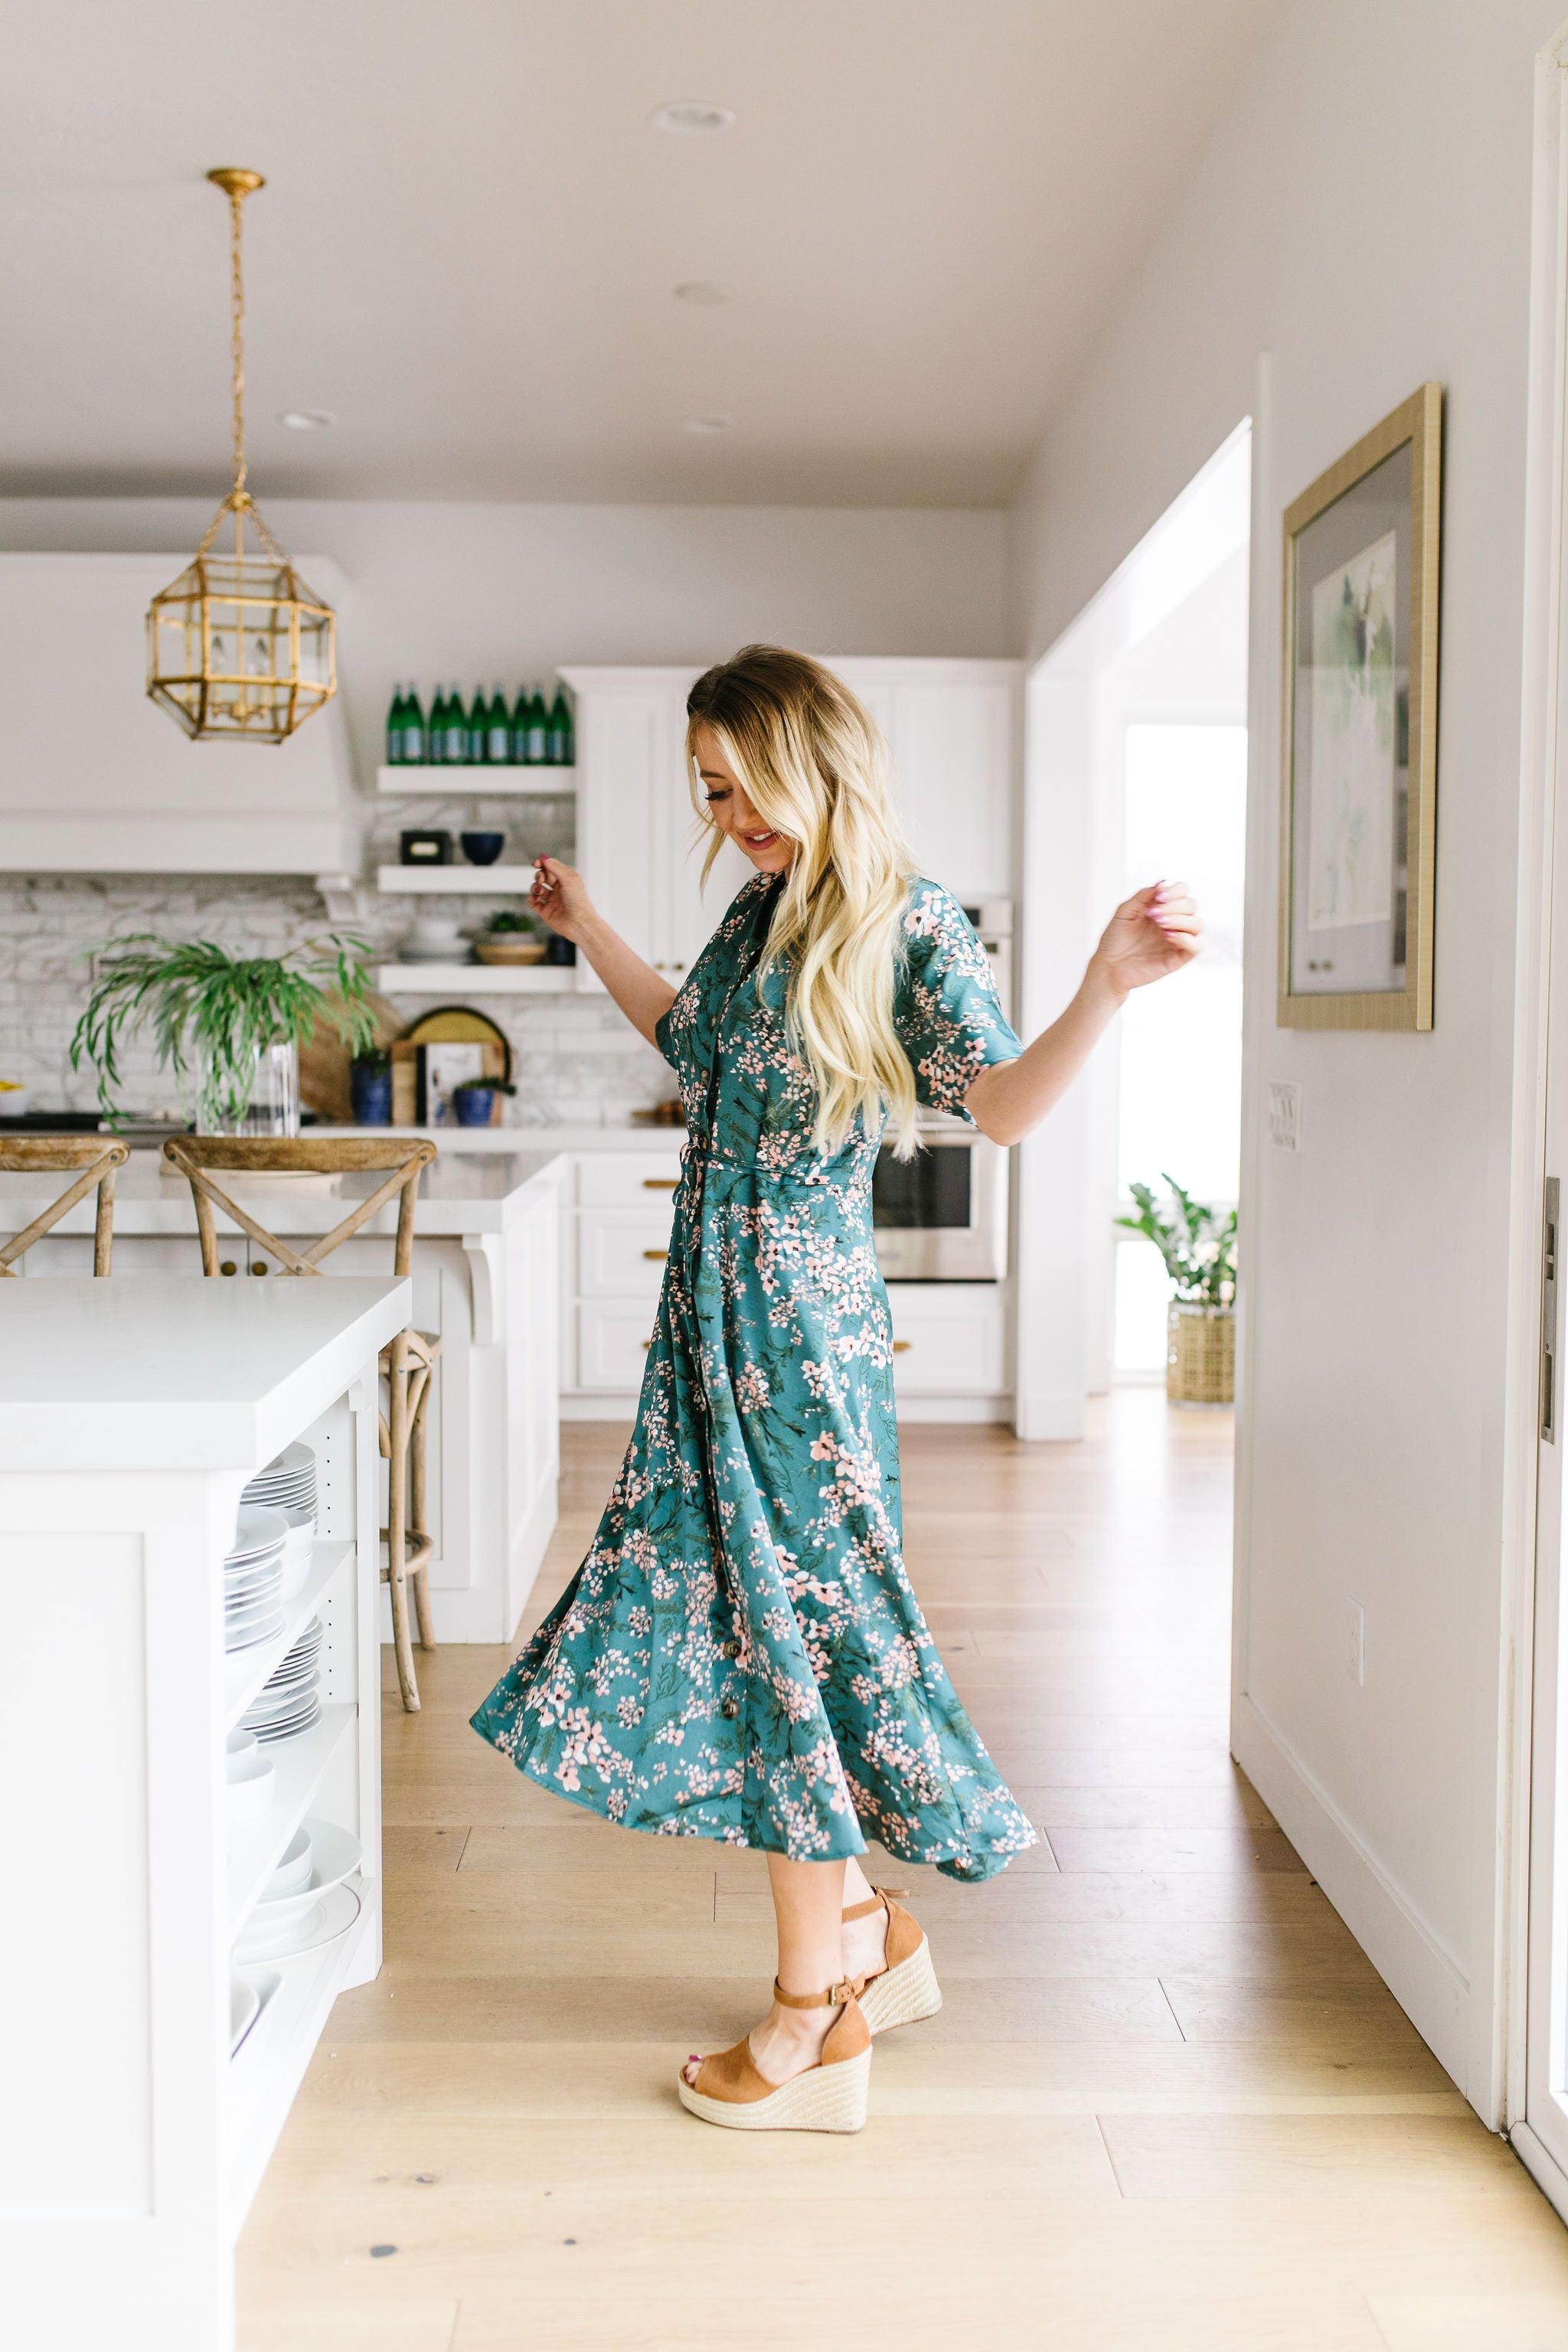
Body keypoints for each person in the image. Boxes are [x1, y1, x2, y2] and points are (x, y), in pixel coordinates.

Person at [471, 645, 1200, 2132]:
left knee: (781, 1640)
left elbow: (993, 1105)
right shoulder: (757, 913)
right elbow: (682, 1034)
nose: (726, 811)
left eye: (743, 782)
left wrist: (1103, 988)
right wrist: (584, 923)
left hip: (795, 1337)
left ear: (817, 761)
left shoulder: (907, 921)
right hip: (711, 1323)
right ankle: (864, 1930)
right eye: (709, 789)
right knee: (746, 1618)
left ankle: (817, 2017)